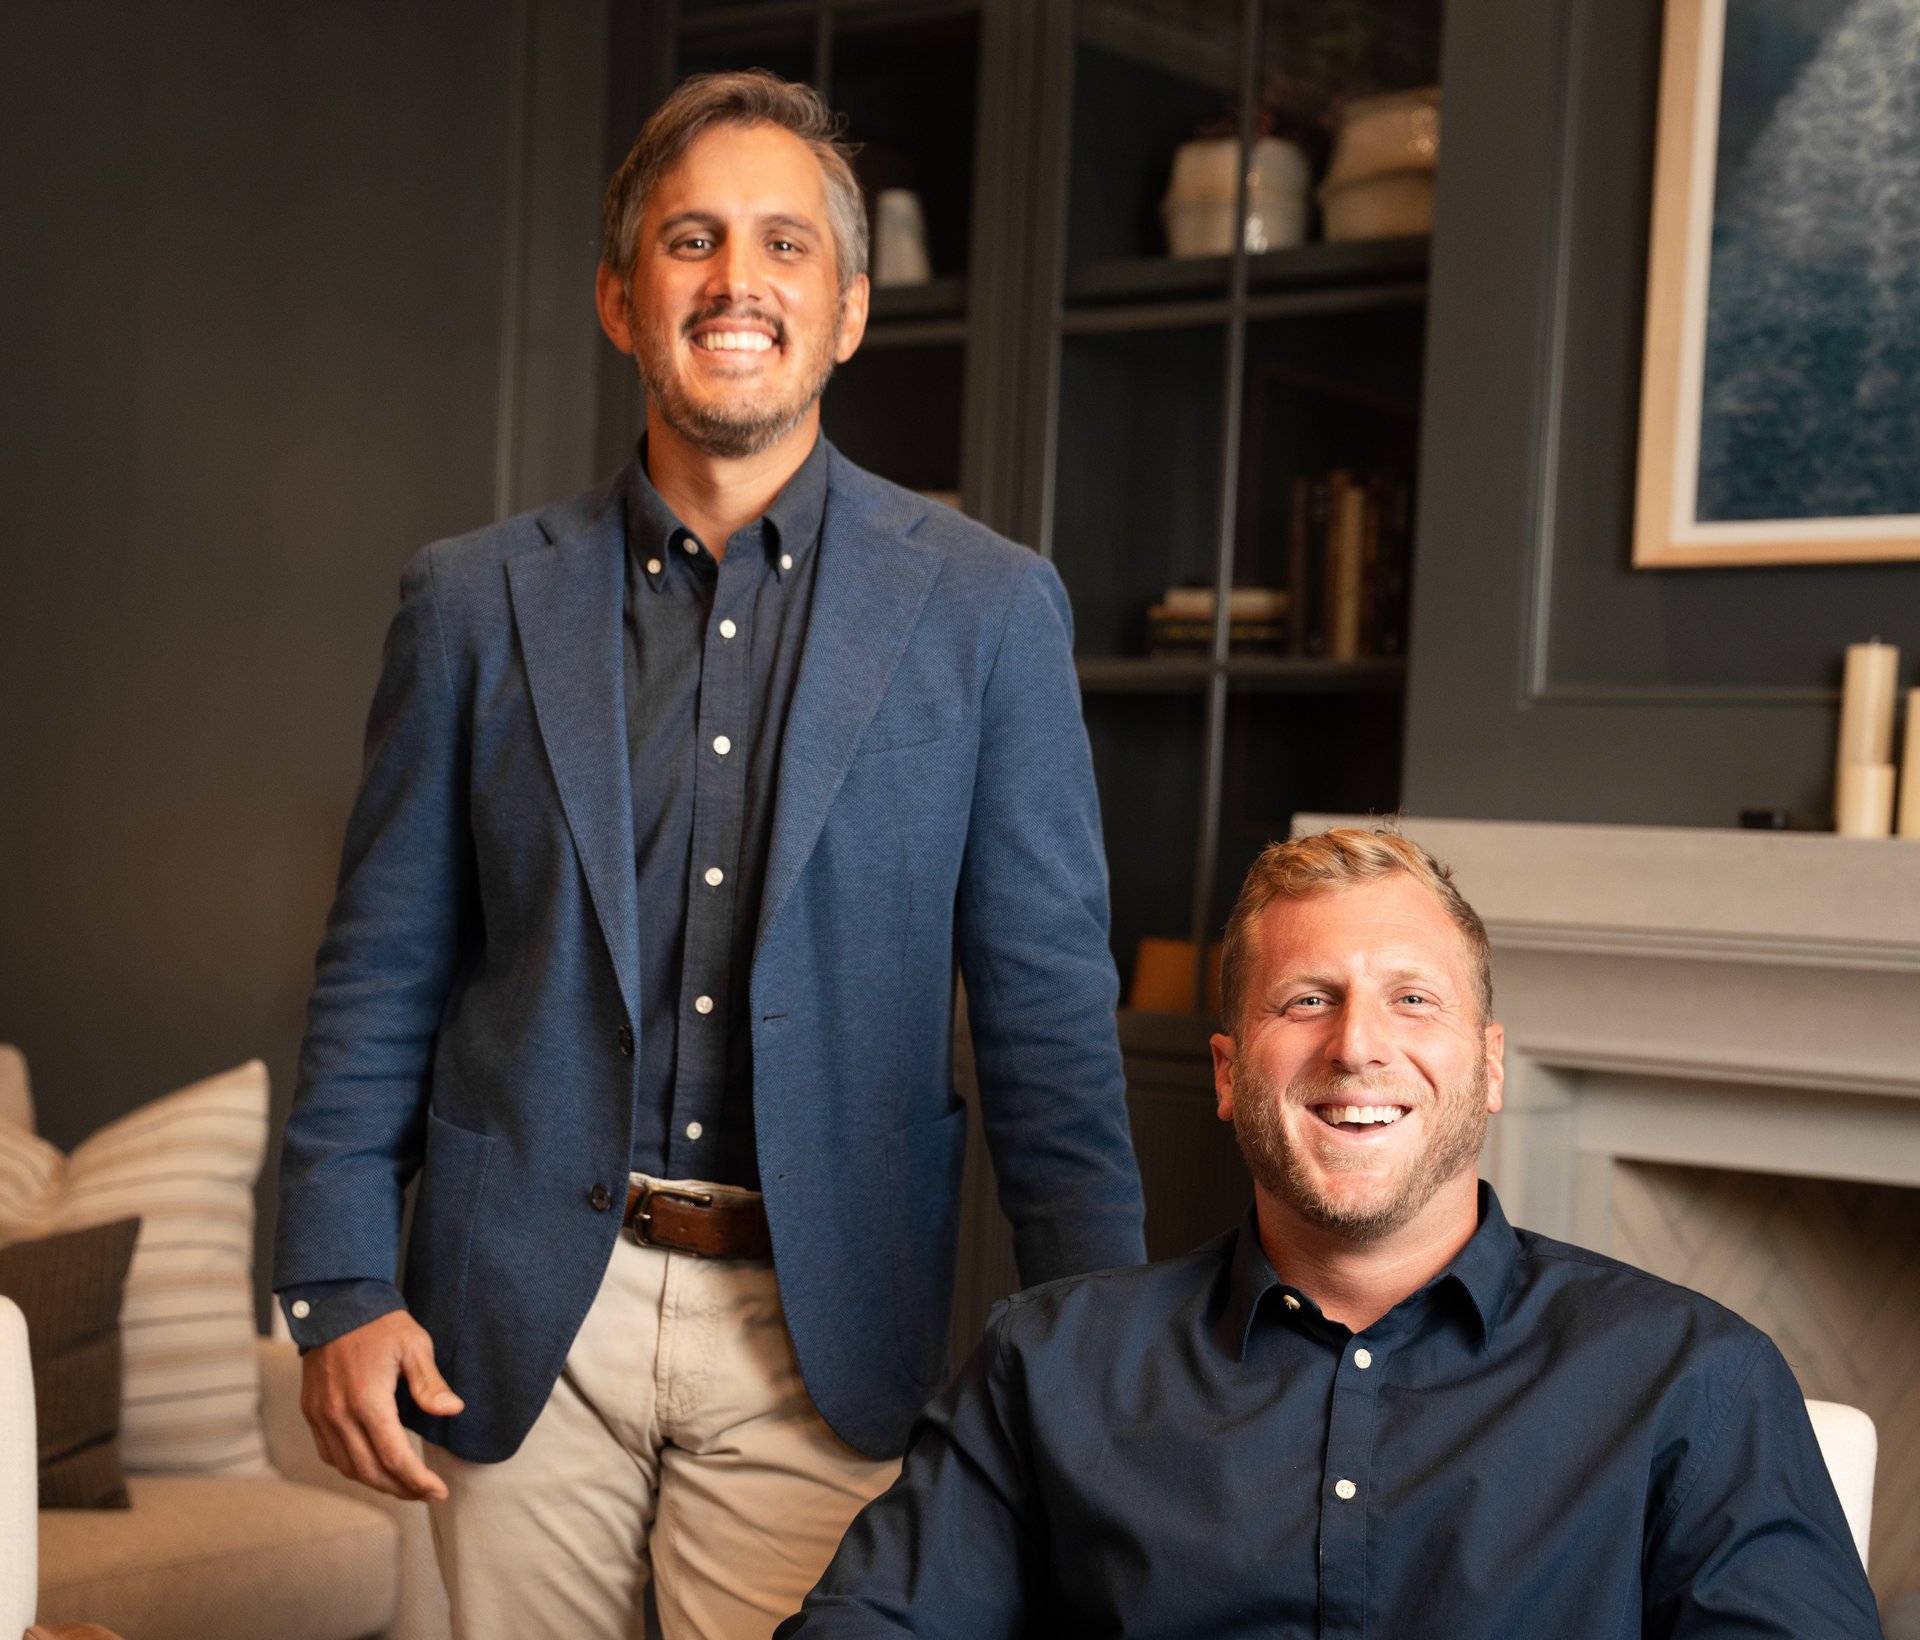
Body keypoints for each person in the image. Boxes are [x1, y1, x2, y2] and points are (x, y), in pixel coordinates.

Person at [272, 69, 1145, 1640]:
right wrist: (338, 1279)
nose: (738, 281)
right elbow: (381, 971)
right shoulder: (471, 604)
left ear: (849, 310)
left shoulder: (986, 609)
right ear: (622, 299)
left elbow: (1047, 1022)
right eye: (692, 240)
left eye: (784, 245)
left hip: (826, 1336)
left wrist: (1097, 1359)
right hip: (522, 1320)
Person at [781, 827, 1884, 1639]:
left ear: (1490, 1066)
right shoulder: (1047, 1363)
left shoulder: (1694, 1379)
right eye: (1307, 999)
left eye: (1414, 999)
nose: (1357, 1045)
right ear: (1227, 1074)